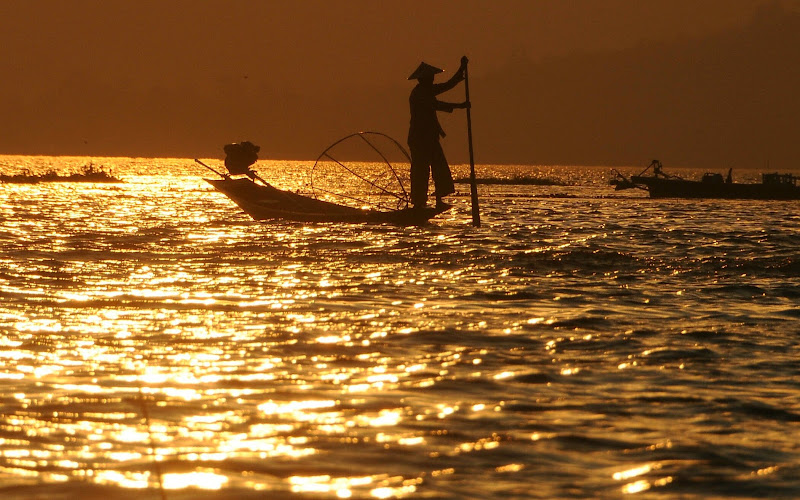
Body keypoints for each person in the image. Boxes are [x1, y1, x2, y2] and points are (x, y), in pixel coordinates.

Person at [407, 58, 470, 209]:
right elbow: (436, 105)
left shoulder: (427, 90)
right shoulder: (418, 94)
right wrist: (460, 106)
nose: (432, 80)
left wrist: (461, 69)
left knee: (439, 166)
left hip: (429, 137)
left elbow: (447, 85)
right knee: (420, 170)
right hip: (419, 139)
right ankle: (418, 202)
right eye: (430, 78)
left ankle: (438, 199)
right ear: (424, 79)